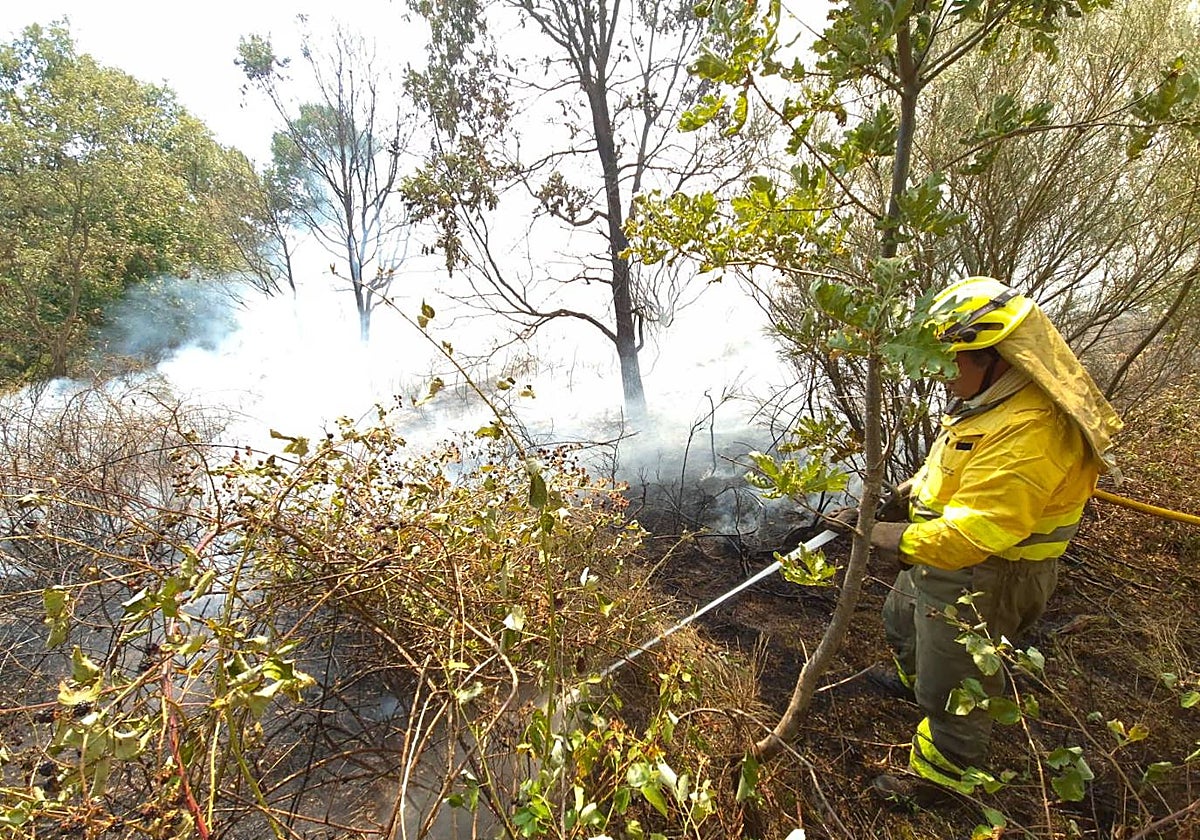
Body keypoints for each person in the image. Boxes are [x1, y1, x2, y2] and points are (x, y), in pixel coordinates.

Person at [856, 277, 1123, 798]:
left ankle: (945, 775)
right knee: (900, 624)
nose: (940, 372)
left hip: (989, 575)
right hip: (944, 558)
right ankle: (923, 690)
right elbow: (961, 466)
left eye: (952, 358)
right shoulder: (993, 398)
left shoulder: (1034, 428)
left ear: (996, 354)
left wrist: (879, 534)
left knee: (956, 686)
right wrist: (905, 493)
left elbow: (976, 534)